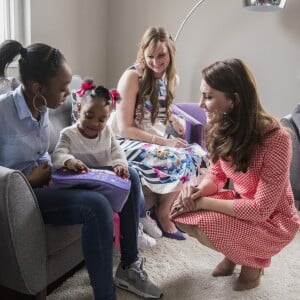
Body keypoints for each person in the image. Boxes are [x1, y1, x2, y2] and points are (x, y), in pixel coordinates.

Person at [0, 40, 162, 300]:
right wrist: (30, 179)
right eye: (63, 89)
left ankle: (129, 268)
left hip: (53, 178)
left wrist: (68, 166)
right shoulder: (2, 111)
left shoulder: (40, 106)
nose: (68, 94)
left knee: (129, 174)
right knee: (95, 205)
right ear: (37, 88)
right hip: (24, 192)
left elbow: (49, 150)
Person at [170, 58, 300, 291]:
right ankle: (236, 253)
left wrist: (202, 201)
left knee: (205, 219)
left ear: (234, 100)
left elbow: (261, 210)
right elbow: (217, 174)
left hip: (273, 219)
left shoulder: (277, 139)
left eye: (208, 96)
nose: (201, 104)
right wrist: (197, 191)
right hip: (242, 205)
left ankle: (252, 263)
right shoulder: (221, 125)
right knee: (180, 215)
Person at [109, 26, 207, 239]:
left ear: (170, 52)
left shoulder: (172, 79)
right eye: (150, 56)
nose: (156, 61)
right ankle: (163, 214)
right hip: (122, 141)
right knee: (175, 155)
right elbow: (125, 128)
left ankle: (164, 210)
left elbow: (157, 105)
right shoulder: (132, 77)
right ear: (143, 55)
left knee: (197, 155)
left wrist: (173, 118)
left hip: (151, 140)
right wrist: (164, 142)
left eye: (161, 55)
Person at [52, 77, 157, 250]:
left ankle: (138, 220)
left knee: (131, 174)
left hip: (107, 178)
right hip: (84, 181)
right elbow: (57, 155)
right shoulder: (68, 134)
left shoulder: (107, 132)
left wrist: (119, 165)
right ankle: (138, 222)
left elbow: (117, 152)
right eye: (89, 115)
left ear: (108, 118)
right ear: (79, 109)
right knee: (131, 176)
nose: (94, 123)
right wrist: (69, 161)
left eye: (101, 120)